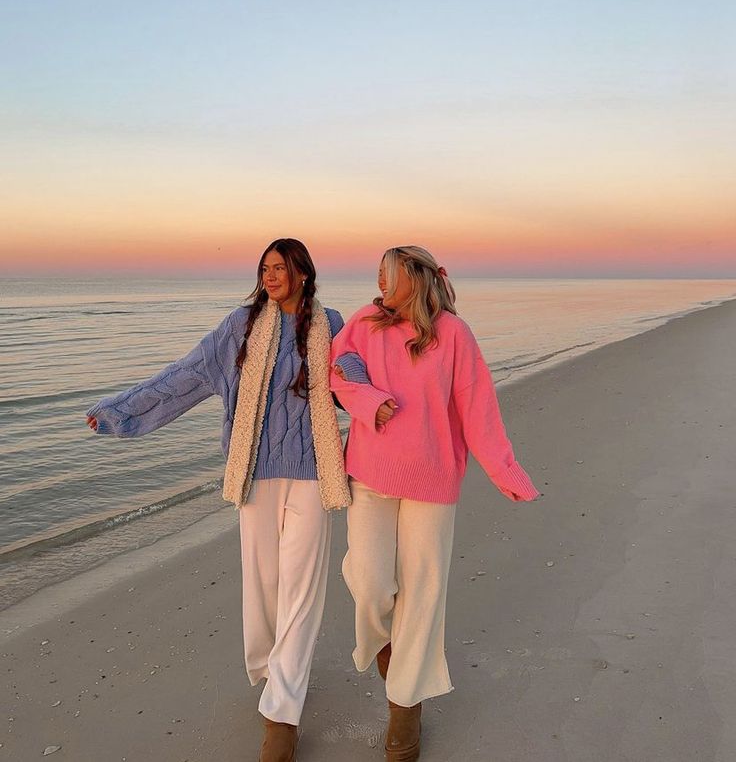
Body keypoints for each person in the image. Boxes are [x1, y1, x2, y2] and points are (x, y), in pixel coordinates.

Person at [86, 238, 351, 762]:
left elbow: (355, 381)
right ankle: (271, 670)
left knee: (303, 588)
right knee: (264, 584)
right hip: (253, 474)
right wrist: (120, 410)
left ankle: (282, 713)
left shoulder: (331, 324)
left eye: (281, 267)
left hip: (312, 472)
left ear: (302, 273)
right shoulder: (240, 326)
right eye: (265, 268)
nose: (271, 276)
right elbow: (185, 376)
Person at [330, 245, 539, 762]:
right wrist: (369, 402)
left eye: (388, 273)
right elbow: (337, 372)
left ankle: (405, 707)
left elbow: (477, 406)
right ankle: (386, 645)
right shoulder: (363, 322)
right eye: (377, 274)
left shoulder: (454, 334)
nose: (379, 282)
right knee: (372, 581)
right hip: (371, 473)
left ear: (416, 277)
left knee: (424, 590)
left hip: (433, 478)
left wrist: (503, 469)